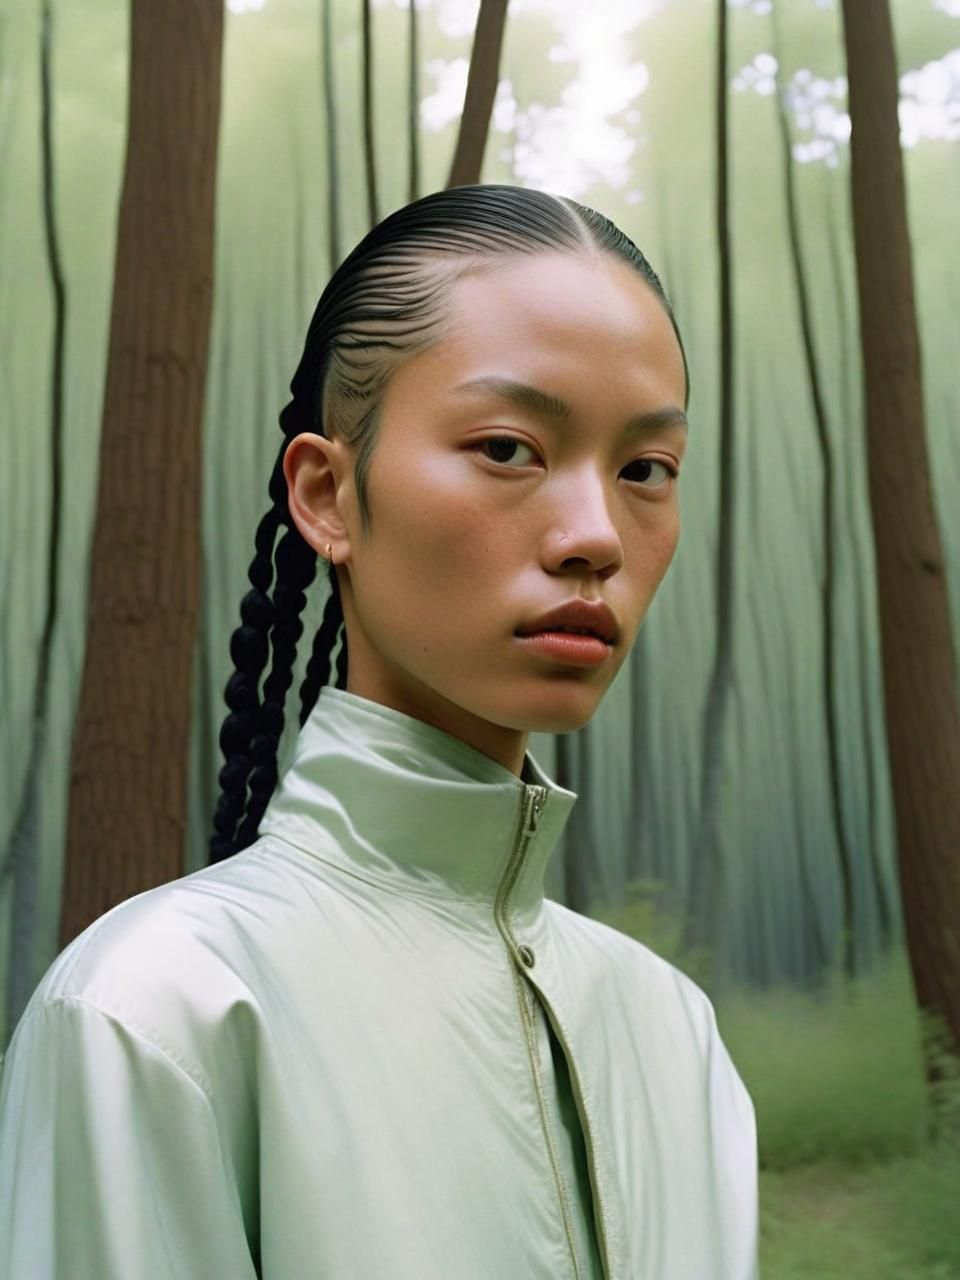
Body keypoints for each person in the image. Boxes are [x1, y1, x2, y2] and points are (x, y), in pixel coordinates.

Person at [0, 184, 758, 1278]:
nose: (596, 532)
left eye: (647, 470)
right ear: (328, 494)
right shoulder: (158, 1013)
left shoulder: (673, 1033)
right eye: (508, 447)